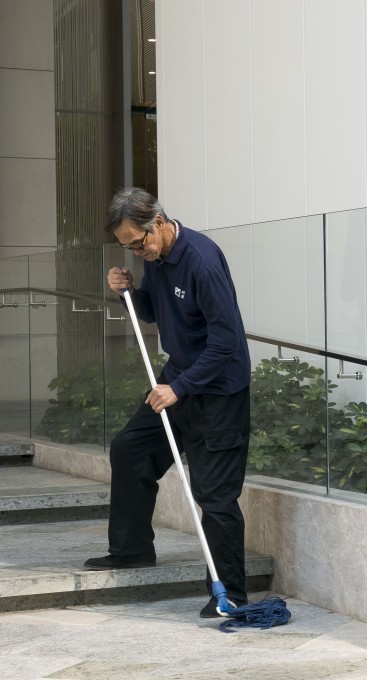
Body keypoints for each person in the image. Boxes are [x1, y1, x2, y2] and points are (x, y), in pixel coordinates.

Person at [86, 187, 252, 618]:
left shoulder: (201, 261)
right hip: (178, 379)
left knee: (214, 494)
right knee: (130, 448)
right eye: (128, 248)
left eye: (137, 243)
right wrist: (127, 291)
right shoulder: (156, 257)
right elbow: (153, 312)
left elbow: (226, 341)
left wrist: (180, 388)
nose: (137, 252)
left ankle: (232, 593)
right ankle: (131, 550)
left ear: (157, 223)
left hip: (218, 392)